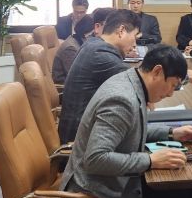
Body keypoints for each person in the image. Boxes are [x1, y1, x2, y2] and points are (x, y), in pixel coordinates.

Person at [58, 45, 192, 198]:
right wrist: (150, 161)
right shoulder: (121, 99)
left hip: (109, 184)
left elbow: (131, 130)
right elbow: (95, 159)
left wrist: (171, 132)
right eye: (173, 85)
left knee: (175, 196)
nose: (171, 93)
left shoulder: (131, 80)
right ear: (157, 72)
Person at [58, 9, 141, 144]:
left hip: (85, 131)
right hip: (81, 142)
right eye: (135, 37)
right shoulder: (101, 54)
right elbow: (141, 85)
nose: (134, 44)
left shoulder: (93, 44)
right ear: (121, 31)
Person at [51, 14, 94, 84]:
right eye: (92, 34)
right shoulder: (70, 48)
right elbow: (75, 77)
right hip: (64, 86)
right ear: (86, 35)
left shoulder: (77, 41)